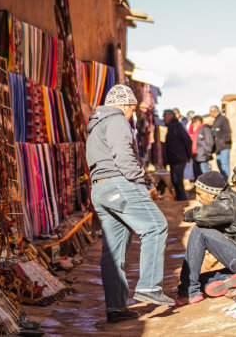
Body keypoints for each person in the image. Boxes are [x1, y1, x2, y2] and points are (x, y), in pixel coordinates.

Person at [86, 84, 174, 323]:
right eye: (132, 110)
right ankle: (149, 286)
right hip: (119, 185)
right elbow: (123, 154)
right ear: (124, 105)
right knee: (156, 226)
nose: (132, 115)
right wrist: (141, 181)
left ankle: (115, 308)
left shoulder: (96, 125)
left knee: (113, 253)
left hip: (100, 189)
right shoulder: (116, 120)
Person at [175, 171, 236, 305]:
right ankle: (228, 280)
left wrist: (189, 213)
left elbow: (199, 215)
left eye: (199, 194)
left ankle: (189, 293)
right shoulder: (230, 199)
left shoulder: (229, 201)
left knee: (199, 231)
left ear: (212, 194)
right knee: (199, 278)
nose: (197, 199)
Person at [163, 109, 192, 201]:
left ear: (170, 115)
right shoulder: (171, 127)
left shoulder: (177, 126)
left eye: (165, 116)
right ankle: (180, 199)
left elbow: (187, 141)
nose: (164, 118)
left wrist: (189, 156)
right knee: (175, 181)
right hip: (174, 159)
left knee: (178, 180)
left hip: (179, 158)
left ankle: (182, 200)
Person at [209, 105, 232, 179]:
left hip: (224, 147)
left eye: (210, 112)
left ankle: (226, 181)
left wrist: (224, 142)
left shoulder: (223, 119)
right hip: (217, 148)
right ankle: (223, 179)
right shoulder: (215, 121)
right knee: (219, 165)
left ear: (214, 111)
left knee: (225, 164)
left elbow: (228, 132)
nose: (210, 114)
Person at [188, 115, 204, 180]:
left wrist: (205, 152)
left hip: (201, 153)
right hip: (195, 153)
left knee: (203, 171)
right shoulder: (197, 130)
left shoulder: (203, 129)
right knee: (197, 171)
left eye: (193, 123)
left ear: (197, 122)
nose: (193, 125)